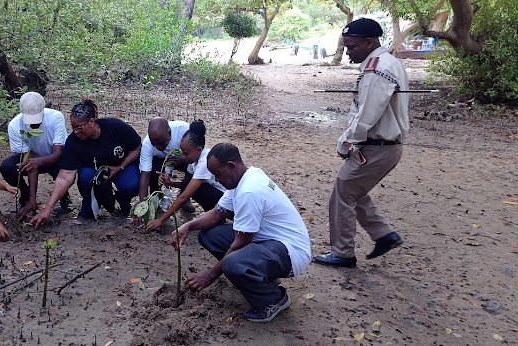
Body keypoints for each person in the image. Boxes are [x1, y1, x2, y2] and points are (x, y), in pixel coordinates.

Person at [170, 143, 311, 322]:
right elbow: (216, 214)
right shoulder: (240, 181)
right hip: (270, 243)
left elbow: (241, 243)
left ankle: (274, 298)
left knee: (232, 263)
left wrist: (210, 275)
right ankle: (258, 278)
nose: (216, 180)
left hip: (291, 252)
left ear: (231, 166)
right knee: (208, 234)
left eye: (218, 175)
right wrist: (187, 226)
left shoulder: (249, 190)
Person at [313, 18, 409, 268]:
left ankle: (343, 253)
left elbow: (368, 114)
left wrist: (345, 141)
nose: (347, 52)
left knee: (342, 193)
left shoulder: (376, 68)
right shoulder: (387, 63)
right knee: (351, 190)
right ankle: (384, 235)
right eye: (346, 47)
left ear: (369, 42)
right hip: (383, 146)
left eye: (352, 46)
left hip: (379, 146)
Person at [30, 100, 142, 226]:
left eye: (79, 127)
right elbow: (65, 176)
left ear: (92, 122)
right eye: (73, 128)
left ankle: (123, 201)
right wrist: (48, 209)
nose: (76, 132)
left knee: (132, 185)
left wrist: (120, 167)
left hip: (122, 167)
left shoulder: (115, 126)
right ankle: (91, 206)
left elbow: (137, 148)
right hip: (94, 174)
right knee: (85, 177)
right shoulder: (73, 142)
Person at [0, 92, 71, 221]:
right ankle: (25, 196)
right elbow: (29, 161)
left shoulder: (56, 117)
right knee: (7, 167)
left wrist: (38, 162)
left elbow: (58, 153)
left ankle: (63, 195)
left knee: (66, 168)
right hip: (32, 160)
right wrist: (33, 199)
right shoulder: (15, 126)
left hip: (53, 159)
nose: (34, 124)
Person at [145, 120, 225, 232]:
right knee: (190, 182)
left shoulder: (204, 162)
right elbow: (187, 184)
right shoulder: (193, 161)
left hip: (227, 202)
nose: (183, 157)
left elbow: (184, 197)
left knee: (195, 189)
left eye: (186, 153)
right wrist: (170, 183)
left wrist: (160, 220)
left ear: (198, 150)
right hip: (219, 197)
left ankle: (219, 217)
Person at [136, 117, 195, 212]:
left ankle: (185, 196)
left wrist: (183, 158)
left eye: (161, 143)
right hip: (160, 161)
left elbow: (196, 154)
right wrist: (143, 205)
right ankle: (155, 197)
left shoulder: (184, 130)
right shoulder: (147, 144)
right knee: (152, 170)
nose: (158, 147)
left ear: (169, 133)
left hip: (182, 158)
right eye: (154, 144)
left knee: (192, 168)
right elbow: (145, 175)